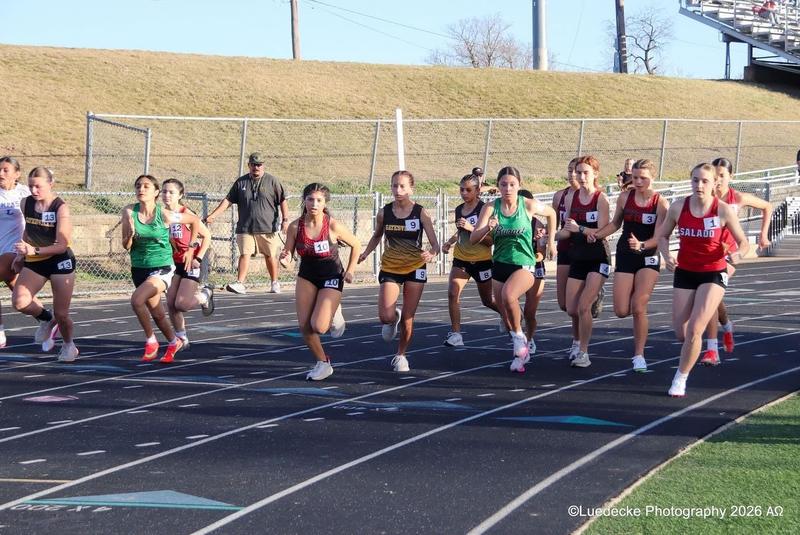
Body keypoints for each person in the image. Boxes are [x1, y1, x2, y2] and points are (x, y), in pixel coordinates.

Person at [657, 163, 749, 397]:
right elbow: (663, 236)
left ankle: (681, 377)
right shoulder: (679, 207)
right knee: (681, 332)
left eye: (705, 181)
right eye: (695, 180)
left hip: (714, 271)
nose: (699, 185)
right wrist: (666, 255)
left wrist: (737, 255)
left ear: (714, 184)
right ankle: (695, 348)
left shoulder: (723, 210)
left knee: (695, 329)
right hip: (686, 271)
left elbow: (744, 243)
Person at [471, 166, 556, 373]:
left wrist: (551, 242)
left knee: (510, 296)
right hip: (500, 264)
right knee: (506, 313)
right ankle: (520, 355)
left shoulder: (526, 205)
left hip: (524, 264)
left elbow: (552, 213)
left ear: (519, 185)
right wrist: (488, 228)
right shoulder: (491, 207)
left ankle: (520, 338)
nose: (508, 188)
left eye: (512, 184)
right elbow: (474, 238)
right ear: (497, 186)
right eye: (503, 184)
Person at [590, 159, 669, 372]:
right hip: (626, 254)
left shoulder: (660, 203)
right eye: (635, 177)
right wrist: (596, 235)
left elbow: (660, 236)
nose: (639, 181)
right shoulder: (625, 197)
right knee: (621, 310)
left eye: (643, 178)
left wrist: (643, 245)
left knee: (638, 307)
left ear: (653, 178)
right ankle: (609, 295)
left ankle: (639, 355)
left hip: (648, 256)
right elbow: (616, 223)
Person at [357, 170, 439, 372]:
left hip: (415, 267)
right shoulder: (384, 212)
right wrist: (366, 253)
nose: (398, 190)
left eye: (402, 186)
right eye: (394, 185)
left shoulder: (420, 213)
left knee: (409, 316)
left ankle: (401, 355)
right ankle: (394, 318)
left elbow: (435, 244)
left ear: (411, 188)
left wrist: (431, 253)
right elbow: (377, 236)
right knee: (385, 315)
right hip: (390, 267)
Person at [280, 183, 361, 381]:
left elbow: (356, 244)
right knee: (305, 327)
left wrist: (350, 270)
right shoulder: (295, 226)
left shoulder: (332, 225)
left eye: (318, 200)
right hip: (307, 275)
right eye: (310, 199)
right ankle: (323, 363)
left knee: (320, 326)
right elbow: (288, 254)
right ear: (304, 201)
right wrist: (284, 258)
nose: (314, 204)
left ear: (325, 203)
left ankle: (335, 310)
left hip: (331, 275)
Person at [699, 157, 773, 366]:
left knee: (709, 294)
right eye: (716, 175)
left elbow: (767, 206)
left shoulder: (737, 198)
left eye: (723, 175)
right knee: (712, 298)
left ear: (731, 177)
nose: (719, 180)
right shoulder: (705, 197)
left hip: (730, 255)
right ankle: (727, 326)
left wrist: (763, 234)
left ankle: (712, 350)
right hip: (707, 254)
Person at [121, 174, 204, 363]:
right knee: (157, 313)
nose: (141, 189)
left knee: (136, 300)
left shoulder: (163, 214)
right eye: (138, 186)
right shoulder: (128, 212)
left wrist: (192, 248)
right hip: (139, 267)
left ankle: (151, 341)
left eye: (146, 186)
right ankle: (174, 341)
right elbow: (125, 245)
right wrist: (130, 235)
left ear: (155, 192)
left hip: (162, 268)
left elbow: (194, 221)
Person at [11, 167, 78, 362]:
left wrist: (35, 251)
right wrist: (20, 254)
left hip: (60, 261)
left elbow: (61, 245)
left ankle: (68, 345)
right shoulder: (26, 203)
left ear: (51, 184)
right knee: (20, 302)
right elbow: (29, 231)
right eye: (31, 186)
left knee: (62, 314)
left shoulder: (60, 208)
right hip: (35, 260)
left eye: (38, 186)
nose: (33, 191)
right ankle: (46, 319)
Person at [205, 152, 289, 294]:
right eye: (253, 164)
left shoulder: (272, 181)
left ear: (263, 165)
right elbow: (228, 200)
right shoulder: (241, 182)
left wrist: (285, 220)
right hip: (245, 227)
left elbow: (282, 201)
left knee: (270, 255)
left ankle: (274, 282)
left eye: (259, 165)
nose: (256, 167)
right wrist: (213, 215)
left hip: (267, 227)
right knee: (245, 254)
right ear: (248, 165)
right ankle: (240, 283)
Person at [557, 155, 611, 368]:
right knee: (571, 308)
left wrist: (582, 229)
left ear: (595, 174)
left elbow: (603, 230)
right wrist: (548, 237)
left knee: (583, 307)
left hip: (598, 257)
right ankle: (578, 340)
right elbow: (566, 229)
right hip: (577, 256)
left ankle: (583, 352)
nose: (581, 176)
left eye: (585, 172)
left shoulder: (601, 199)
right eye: (578, 172)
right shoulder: (572, 197)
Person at [440, 173, 499, 347]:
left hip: (482, 260)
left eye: (468, 190)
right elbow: (460, 231)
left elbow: (491, 240)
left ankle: (509, 314)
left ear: (477, 190)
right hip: (461, 258)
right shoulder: (459, 209)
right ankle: (456, 334)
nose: (464, 193)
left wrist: (472, 227)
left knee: (487, 301)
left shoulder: (485, 209)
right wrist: (449, 243)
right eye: (461, 189)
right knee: (452, 293)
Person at [161, 179, 215, 351]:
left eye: (171, 192)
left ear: (180, 195)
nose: (166, 195)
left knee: (182, 304)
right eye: (164, 191)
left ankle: (205, 295)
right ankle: (181, 337)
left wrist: (197, 257)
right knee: (170, 302)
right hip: (174, 263)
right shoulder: (161, 214)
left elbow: (207, 236)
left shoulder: (186, 214)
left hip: (191, 262)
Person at [0, 156, 40, 348]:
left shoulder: (24, 193)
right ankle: (47, 318)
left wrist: (28, 248)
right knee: (20, 294)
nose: (0, 173)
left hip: (15, 249)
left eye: (5, 170)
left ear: (17, 174)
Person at [553, 158, 581, 357]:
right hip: (564, 247)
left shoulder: (594, 196)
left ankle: (577, 341)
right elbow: (552, 222)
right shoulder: (559, 196)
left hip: (583, 250)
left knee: (576, 306)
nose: (573, 175)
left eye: (577, 171)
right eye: (570, 170)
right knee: (564, 304)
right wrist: (545, 238)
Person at [519, 190, 549, 356]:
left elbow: (542, 253)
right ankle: (516, 334)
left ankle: (530, 339)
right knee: (509, 304)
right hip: (513, 266)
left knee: (530, 311)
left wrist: (535, 253)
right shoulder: (508, 221)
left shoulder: (537, 225)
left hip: (534, 268)